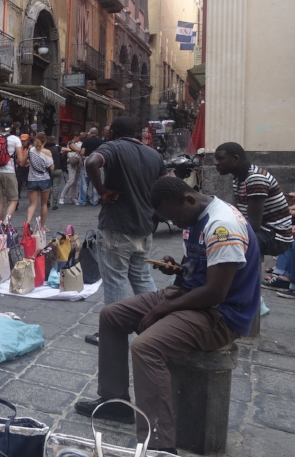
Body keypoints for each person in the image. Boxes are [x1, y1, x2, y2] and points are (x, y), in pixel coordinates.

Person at [75, 177, 260, 454]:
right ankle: (115, 402)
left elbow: (216, 293)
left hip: (221, 314)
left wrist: (162, 309)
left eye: (175, 216)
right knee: (112, 315)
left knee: (146, 347)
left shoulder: (222, 226)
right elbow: (200, 268)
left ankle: (159, 444)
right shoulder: (195, 214)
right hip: (190, 295)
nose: (176, 223)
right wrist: (179, 268)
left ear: (189, 199)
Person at [82, 116, 168, 346]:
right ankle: (157, 324)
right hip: (144, 225)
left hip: (117, 224)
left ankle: (114, 333)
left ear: (113, 134)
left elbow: (91, 163)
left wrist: (102, 191)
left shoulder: (112, 147)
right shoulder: (154, 155)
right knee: (141, 275)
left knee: (115, 280)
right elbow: (165, 186)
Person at [214, 142, 293, 259]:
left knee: (229, 242)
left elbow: (254, 225)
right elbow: (238, 215)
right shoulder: (238, 177)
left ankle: (246, 276)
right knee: (219, 236)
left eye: (220, 159)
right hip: (263, 231)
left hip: (277, 236)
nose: (216, 163)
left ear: (235, 159)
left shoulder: (255, 178)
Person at [0, 119, 25, 222]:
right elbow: (20, 160)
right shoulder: (15, 139)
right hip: (9, 172)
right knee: (13, 199)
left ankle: (0, 226)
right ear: (11, 127)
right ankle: (6, 222)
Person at [25, 132, 55, 231]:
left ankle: (28, 223)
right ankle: (42, 226)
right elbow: (51, 168)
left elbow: (24, 162)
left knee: (32, 204)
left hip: (32, 179)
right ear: (45, 140)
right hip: (44, 179)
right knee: (44, 204)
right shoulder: (47, 152)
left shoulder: (30, 150)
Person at [78, 128, 103, 206]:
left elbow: (82, 152)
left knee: (84, 182)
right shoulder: (101, 141)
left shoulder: (86, 141)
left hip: (88, 160)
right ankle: (94, 201)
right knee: (96, 181)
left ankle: (83, 200)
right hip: (98, 161)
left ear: (90, 133)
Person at [60, 132, 83, 205]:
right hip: (72, 164)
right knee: (71, 181)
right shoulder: (71, 143)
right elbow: (78, 151)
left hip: (77, 163)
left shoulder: (75, 143)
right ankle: (62, 196)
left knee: (75, 182)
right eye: (78, 137)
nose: (79, 138)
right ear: (75, 137)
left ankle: (72, 197)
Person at [46, 136, 65, 210]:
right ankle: (54, 203)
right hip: (58, 169)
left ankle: (47, 201)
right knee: (56, 186)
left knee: (48, 186)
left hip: (48, 170)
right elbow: (67, 150)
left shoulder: (44, 149)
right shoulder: (57, 148)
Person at [15, 134, 30, 209]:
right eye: (22, 141)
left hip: (28, 168)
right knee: (18, 185)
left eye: (24, 140)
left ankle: (31, 202)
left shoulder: (31, 148)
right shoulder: (19, 148)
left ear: (28, 140)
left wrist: (23, 161)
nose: (23, 142)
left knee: (30, 186)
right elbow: (17, 160)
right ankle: (16, 202)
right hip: (20, 167)